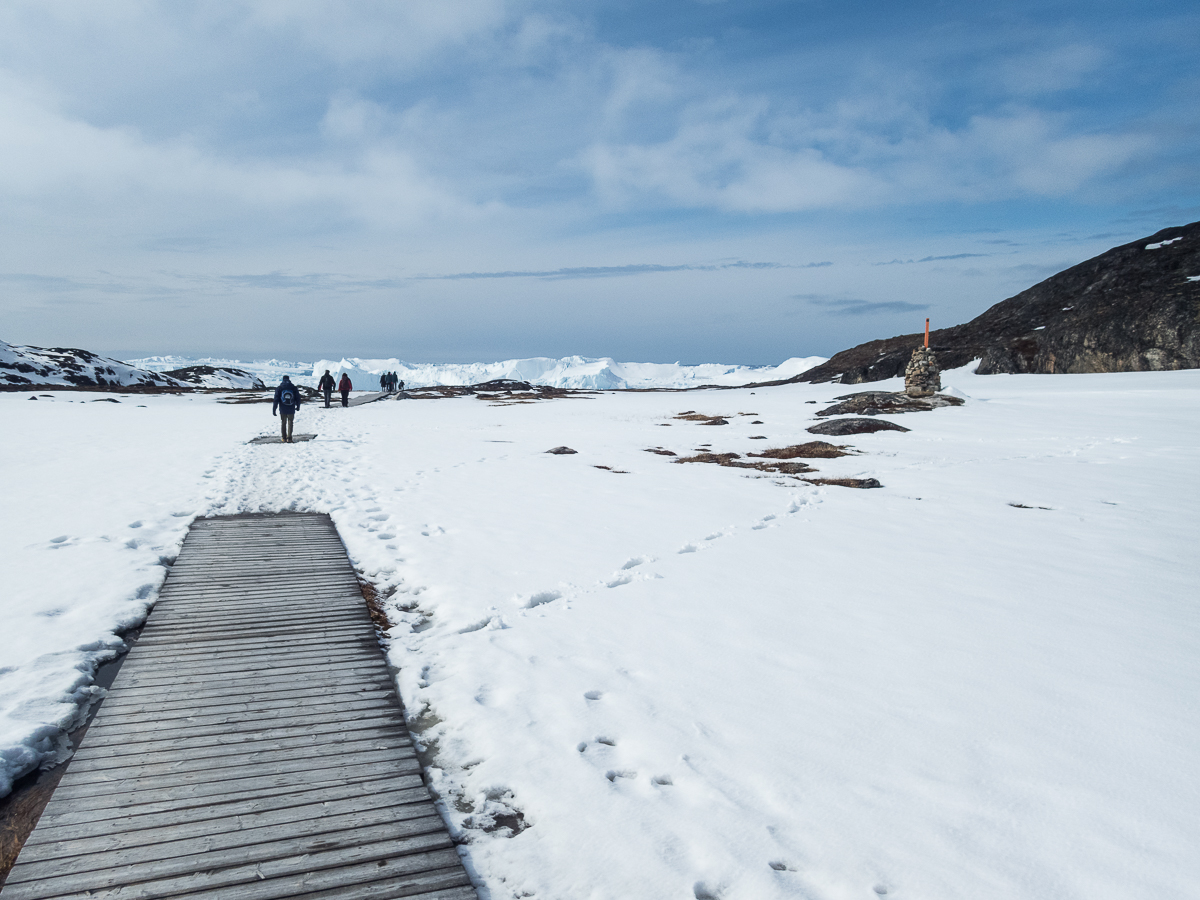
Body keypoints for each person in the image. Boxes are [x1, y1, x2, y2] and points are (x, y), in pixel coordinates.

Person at [272, 375, 302, 442]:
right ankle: (289, 438)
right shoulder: (293, 387)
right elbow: (298, 398)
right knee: (290, 422)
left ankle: (283, 438)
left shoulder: (279, 388)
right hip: (291, 408)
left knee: (283, 422)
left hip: (282, 408)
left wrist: (274, 409)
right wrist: (298, 406)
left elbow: (276, 399)